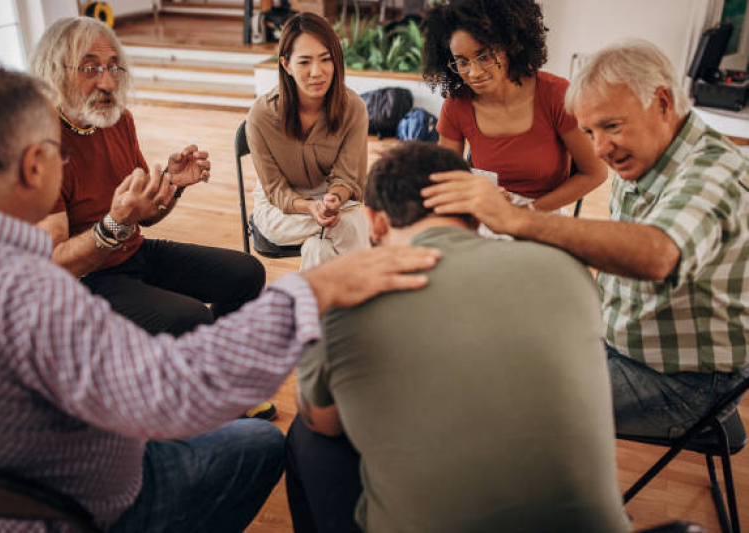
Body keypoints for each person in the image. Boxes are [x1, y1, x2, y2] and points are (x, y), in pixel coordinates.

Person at [0, 59, 440, 531]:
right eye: (56, 153)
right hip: (79, 506)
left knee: (242, 278)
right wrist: (308, 292)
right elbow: (176, 388)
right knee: (263, 444)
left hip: (46, 462)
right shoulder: (27, 290)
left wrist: (161, 195)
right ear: (35, 166)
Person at [286, 142, 630, 533]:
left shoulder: (347, 299)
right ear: (474, 211)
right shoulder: (565, 268)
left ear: (374, 222)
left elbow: (324, 423)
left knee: (306, 432)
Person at [422, 40, 749, 440]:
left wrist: (516, 220)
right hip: (623, 342)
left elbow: (658, 253)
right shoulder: (650, 156)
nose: (600, 149)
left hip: (686, 383)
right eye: (591, 132)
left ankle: (570, 502)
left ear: (663, 102)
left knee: (503, 400)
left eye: (611, 126)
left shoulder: (713, 172)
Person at [31, 16, 279, 420]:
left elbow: (144, 218)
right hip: (86, 282)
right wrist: (115, 223)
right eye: (91, 67)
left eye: (114, 66)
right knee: (191, 317)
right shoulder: (42, 146)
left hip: (134, 253)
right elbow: (54, 263)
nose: (107, 81)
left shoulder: (116, 120)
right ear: (55, 71)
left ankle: (208, 370)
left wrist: (172, 186)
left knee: (247, 272)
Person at [422, 0, 606, 215]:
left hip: (543, 213)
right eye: (462, 62)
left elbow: (595, 173)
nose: (474, 72)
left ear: (509, 46)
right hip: (487, 212)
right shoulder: (457, 105)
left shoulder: (556, 95)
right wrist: (478, 193)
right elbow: (447, 177)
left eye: (484, 57)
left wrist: (526, 210)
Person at [246, 13, 370, 270]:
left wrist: (332, 199)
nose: (317, 72)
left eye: (326, 59)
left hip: (333, 201)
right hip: (281, 211)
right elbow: (276, 191)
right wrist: (309, 208)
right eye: (304, 62)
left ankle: (311, 309)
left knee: (319, 247)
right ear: (286, 65)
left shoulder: (353, 109)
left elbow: (347, 178)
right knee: (352, 223)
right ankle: (365, 302)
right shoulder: (261, 116)